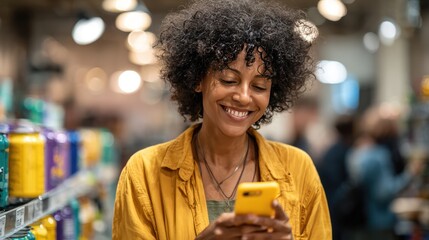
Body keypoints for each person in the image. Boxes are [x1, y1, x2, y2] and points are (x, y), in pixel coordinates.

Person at [112, 0, 332, 239]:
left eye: (259, 86)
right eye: (229, 80)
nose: (244, 97)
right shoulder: (145, 172)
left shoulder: (298, 170)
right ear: (198, 79)